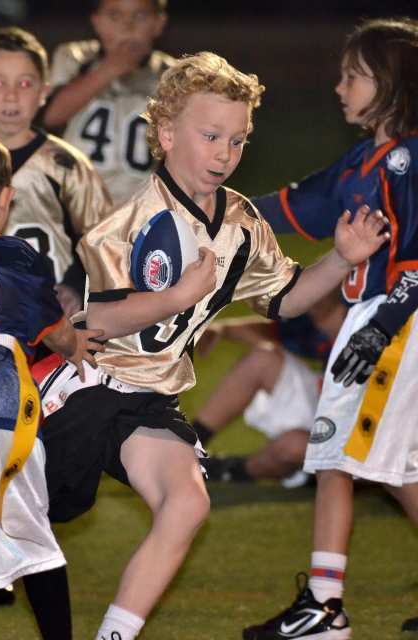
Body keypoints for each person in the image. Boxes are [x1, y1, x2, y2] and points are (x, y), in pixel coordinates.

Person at [38, 51, 387, 640]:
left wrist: (340, 259)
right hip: (87, 391)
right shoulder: (125, 224)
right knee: (18, 529)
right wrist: (176, 298)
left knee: (189, 504)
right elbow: (98, 317)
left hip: (151, 402)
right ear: (167, 133)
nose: (226, 154)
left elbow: (287, 298)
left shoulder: (241, 224)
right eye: (211, 136)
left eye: (238, 140)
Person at [243, 17, 418, 639]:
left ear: (393, 81)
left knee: (334, 456)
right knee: (403, 470)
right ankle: (323, 608)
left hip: (394, 321)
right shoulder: (362, 161)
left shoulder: (409, 158)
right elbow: (295, 206)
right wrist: (209, 206)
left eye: (353, 76)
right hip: (388, 321)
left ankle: (324, 608)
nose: (339, 87)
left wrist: (382, 326)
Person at [0, 124, 104, 640]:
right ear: (5, 200)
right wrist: (78, 345)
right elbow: (56, 334)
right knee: (28, 534)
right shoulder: (19, 258)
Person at [0, 26, 113, 319]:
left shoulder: (67, 166)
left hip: (53, 323)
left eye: (24, 84)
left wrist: (75, 286)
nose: (10, 96)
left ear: (44, 91)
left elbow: (104, 243)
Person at [194, 291, 346, 486]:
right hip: (329, 403)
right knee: (263, 360)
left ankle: (230, 470)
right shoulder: (316, 319)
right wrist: (222, 329)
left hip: (367, 436)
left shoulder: (380, 329)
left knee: (293, 447)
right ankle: (187, 448)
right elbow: (273, 331)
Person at [43, 0, 173, 205]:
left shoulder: (172, 74)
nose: (127, 26)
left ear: (159, 23)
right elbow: (50, 116)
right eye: (115, 16)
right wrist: (110, 68)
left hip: (138, 202)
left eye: (140, 16)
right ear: (96, 21)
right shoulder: (74, 57)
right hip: (76, 200)